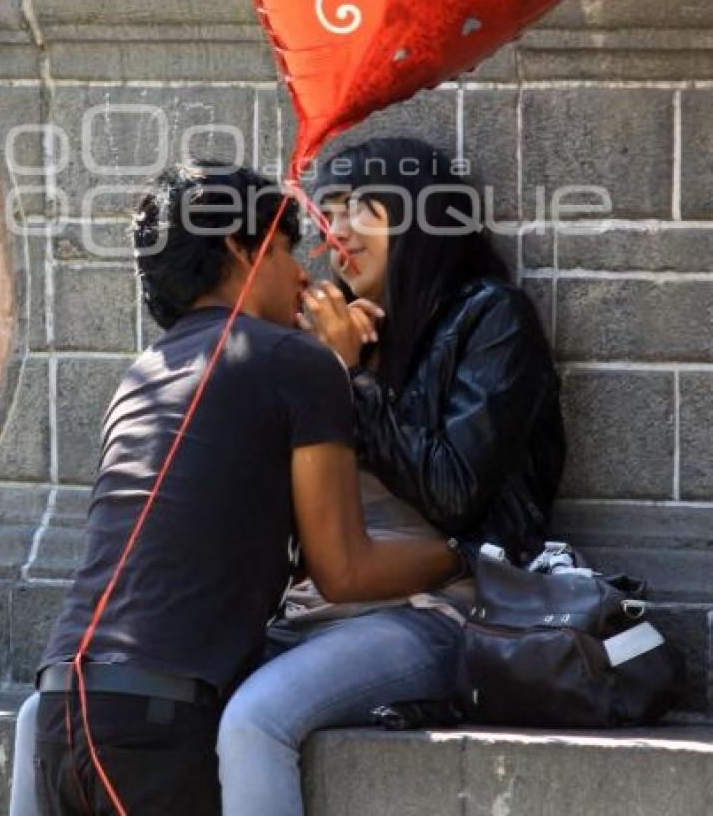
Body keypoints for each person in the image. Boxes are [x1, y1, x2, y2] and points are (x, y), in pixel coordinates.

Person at [24, 159, 462, 816]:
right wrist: (467, 550)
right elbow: (344, 568)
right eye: (286, 248)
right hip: (155, 725)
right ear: (239, 248)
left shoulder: (143, 372)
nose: (304, 273)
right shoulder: (299, 364)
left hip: (61, 706)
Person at [215, 136, 566, 816]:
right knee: (127, 693)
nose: (335, 232)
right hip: (313, 610)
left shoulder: (490, 318)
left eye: (359, 209)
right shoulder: (332, 336)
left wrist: (349, 378)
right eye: (330, 212)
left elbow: (453, 491)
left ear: (420, 218)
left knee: (254, 717)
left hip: (441, 611)